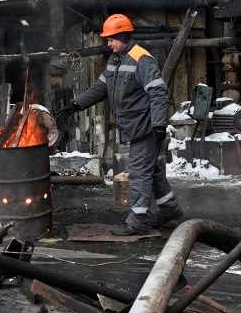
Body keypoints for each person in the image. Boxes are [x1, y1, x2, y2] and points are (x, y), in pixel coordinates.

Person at [53, 13, 184, 235]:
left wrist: (159, 124)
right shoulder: (115, 59)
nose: (109, 43)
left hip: (146, 127)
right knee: (150, 170)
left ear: (123, 35)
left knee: (139, 172)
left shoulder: (141, 59)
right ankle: (170, 208)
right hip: (134, 127)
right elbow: (100, 88)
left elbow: (159, 92)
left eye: (111, 39)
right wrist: (75, 105)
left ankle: (139, 220)